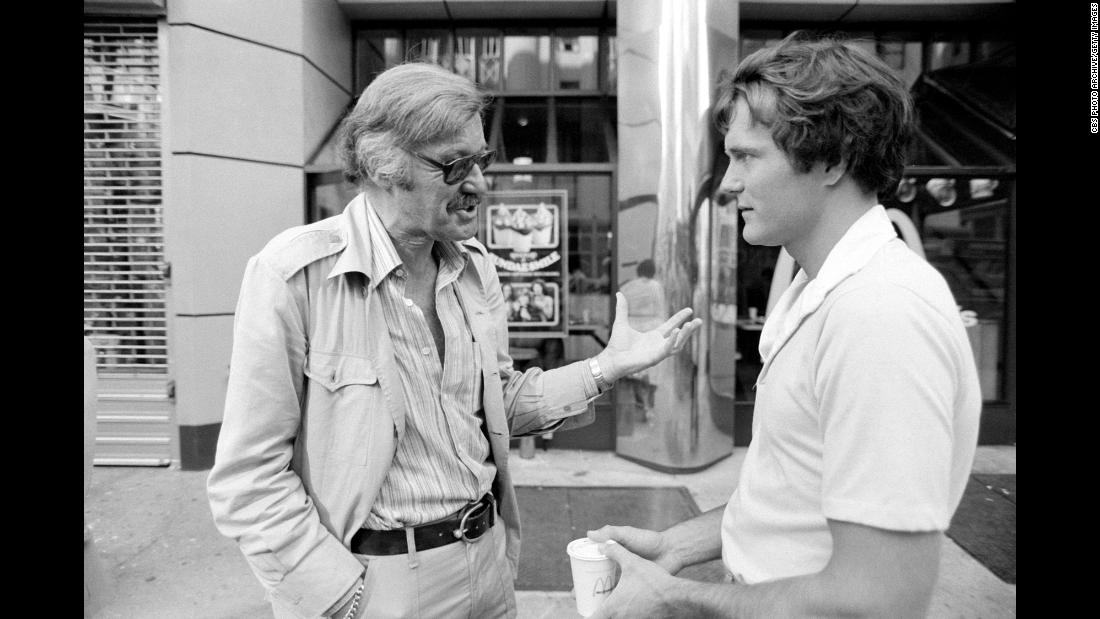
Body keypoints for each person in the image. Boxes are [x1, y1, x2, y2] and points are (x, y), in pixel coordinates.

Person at [206, 62, 702, 619]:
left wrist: (603, 369)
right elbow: (248, 479)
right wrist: (339, 598)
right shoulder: (294, 276)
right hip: (373, 584)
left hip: (488, 564)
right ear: (384, 165)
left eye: (481, 160)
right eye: (455, 164)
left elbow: (497, 405)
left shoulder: (475, 271)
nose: (480, 184)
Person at [587, 32, 981, 618]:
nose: (727, 182)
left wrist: (673, 598)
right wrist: (676, 546)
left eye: (746, 156)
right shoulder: (821, 290)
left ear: (832, 160)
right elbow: (796, 495)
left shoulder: (878, 315)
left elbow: (881, 597)